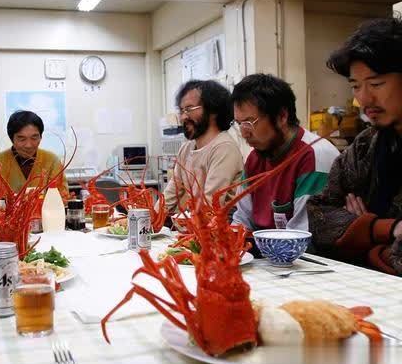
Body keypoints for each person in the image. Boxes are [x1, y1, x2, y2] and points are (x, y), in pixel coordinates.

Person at [308, 17, 402, 274]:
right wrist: (385, 229)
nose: (363, 99)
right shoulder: (365, 144)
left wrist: (360, 241)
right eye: (355, 86)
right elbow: (318, 217)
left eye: (376, 84)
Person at [230, 73, 339, 232]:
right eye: (239, 123)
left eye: (249, 122)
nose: (244, 133)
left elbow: (303, 236)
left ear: (282, 116)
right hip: (263, 244)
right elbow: (242, 220)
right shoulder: (255, 158)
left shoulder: (314, 155)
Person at [163, 80, 243, 212]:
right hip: (194, 220)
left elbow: (209, 205)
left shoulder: (224, 148)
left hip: (219, 223)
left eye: (189, 109)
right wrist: (148, 217)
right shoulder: (186, 148)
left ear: (213, 110)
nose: (183, 117)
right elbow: (171, 194)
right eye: (181, 111)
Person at [0, 110, 68, 197]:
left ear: (40, 137)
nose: (28, 145)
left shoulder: (52, 160)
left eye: (34, 138)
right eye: (22, 139)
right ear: (12, 139)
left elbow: (62, 196)